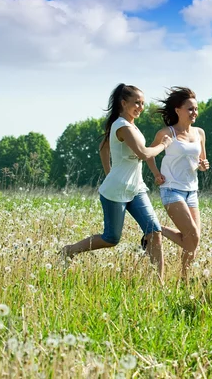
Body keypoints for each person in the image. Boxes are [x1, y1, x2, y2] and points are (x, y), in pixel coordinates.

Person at [61, 84, 172, 279]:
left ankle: (159, 284)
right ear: (123, 103)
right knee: (111, 238)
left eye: (143, 103)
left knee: (154, 232)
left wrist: (109, 173)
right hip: (115, 192)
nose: (140, 107)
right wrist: (163, 144)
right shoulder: (122, 126)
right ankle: (68, 251)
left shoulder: (130, 126)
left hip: (136, 189)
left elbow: (103, 147)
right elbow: (144, 153)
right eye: (136, 102)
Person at [146, 87, 210, 280]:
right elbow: (149, 155)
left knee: (192, 242)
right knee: (193, 238)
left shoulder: (199, 133)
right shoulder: (167, 133)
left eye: (196, 109)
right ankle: (154, 228)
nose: (194, 113)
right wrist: (157, 174)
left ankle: (184, 280)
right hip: (172, 190)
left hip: (192, 191)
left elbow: (201, 161)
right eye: (190, 109)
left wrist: (204, 165)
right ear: (177, 110)